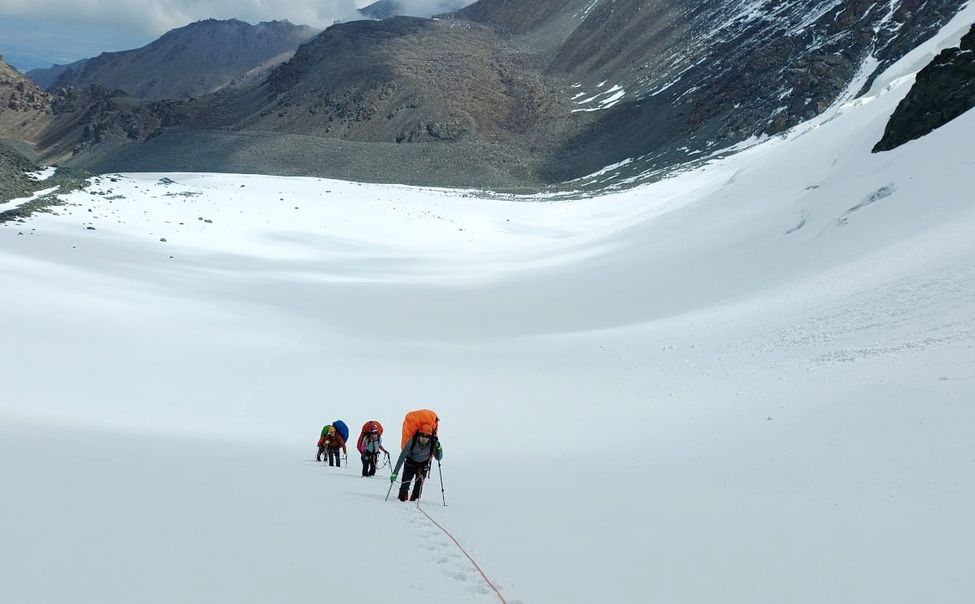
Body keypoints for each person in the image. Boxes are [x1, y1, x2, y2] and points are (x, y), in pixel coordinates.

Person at [390, 423, 443, 501]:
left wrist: (439, 448)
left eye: (427, 436)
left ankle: (414, 501)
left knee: (418, 489)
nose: (424, 438)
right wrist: (395, 472)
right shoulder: (412, 441)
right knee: (404, 486)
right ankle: (402, 498)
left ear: (430, 437)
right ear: (419, 434)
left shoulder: (433, 443)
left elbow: (438, 458)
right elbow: (402, 457)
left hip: (423, 466)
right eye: (422, 435)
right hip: (410, 464)